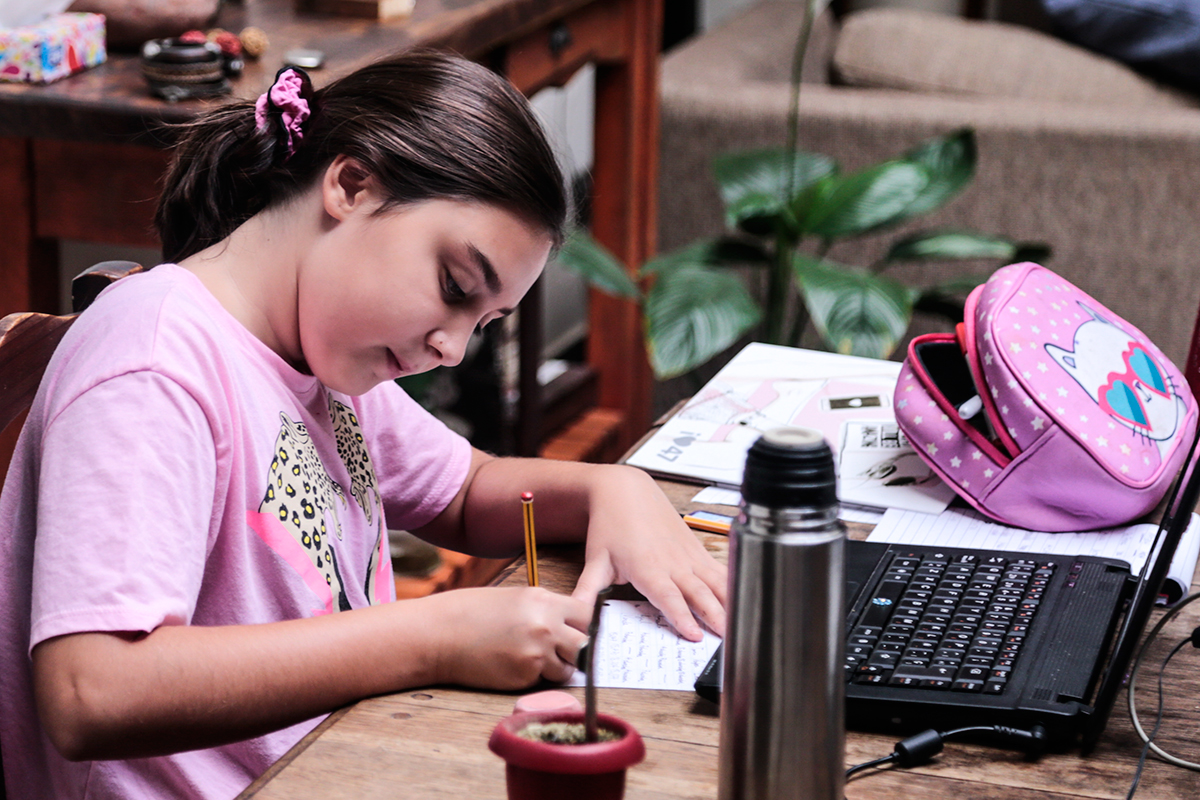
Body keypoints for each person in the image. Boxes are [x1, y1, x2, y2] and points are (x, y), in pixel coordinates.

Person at [0, 52, 727, 799]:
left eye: (484, 322)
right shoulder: (156, 366)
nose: (453, 348)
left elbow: (463, 491)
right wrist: (433, 638)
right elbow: (93, 689)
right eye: (454, 287)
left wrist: (614, 490)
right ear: (351, 186)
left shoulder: (321, 351)